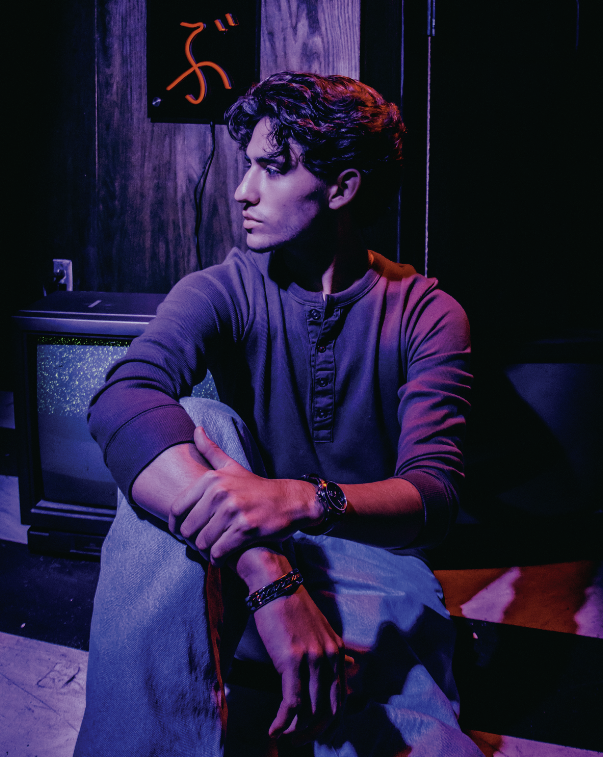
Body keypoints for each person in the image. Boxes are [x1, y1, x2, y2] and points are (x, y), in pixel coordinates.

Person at [74, 72, 482, 756]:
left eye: (270, 168)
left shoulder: (427, 313)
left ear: (341, 188)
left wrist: (301, 499)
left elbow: (433, 495)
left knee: (418, 738)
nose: (242, 190)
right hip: (230, 559)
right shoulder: (222, 288)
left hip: (374, 563)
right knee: (201, 419)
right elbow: (122, 396)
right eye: (246, 166)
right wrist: (266, 568)